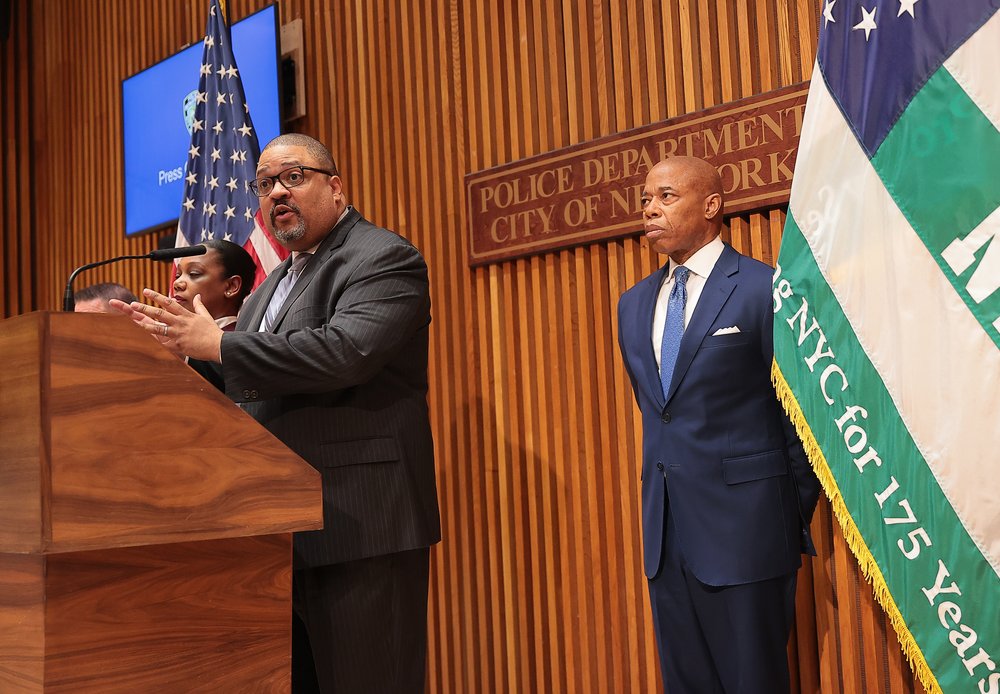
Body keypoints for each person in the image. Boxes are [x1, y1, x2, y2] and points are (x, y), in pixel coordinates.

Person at [112, 133, 441, 693]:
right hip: (276, 526)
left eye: (294, 177)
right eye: (265, 184)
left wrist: (218, 346)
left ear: (335, 187)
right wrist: (181, 354)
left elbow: (345, 352)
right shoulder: (275, 285)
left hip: (360, 522)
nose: (276, 194)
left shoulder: (382, 256)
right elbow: (256, 387)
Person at [616, 156, 820, 693]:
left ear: (711, 205)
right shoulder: (632, 305)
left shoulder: (761, 288)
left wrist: (774, 511)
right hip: (667, 538)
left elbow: (800, 420)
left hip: (748, 534)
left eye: (665, 197)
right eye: (644, 200)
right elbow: (659, 412)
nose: (649, 210)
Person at [172, 238, 256, 330]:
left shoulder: (237, 343)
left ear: (231, 286)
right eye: (177, 275)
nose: (177, 283)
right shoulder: (169, 340)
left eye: (194, 273)